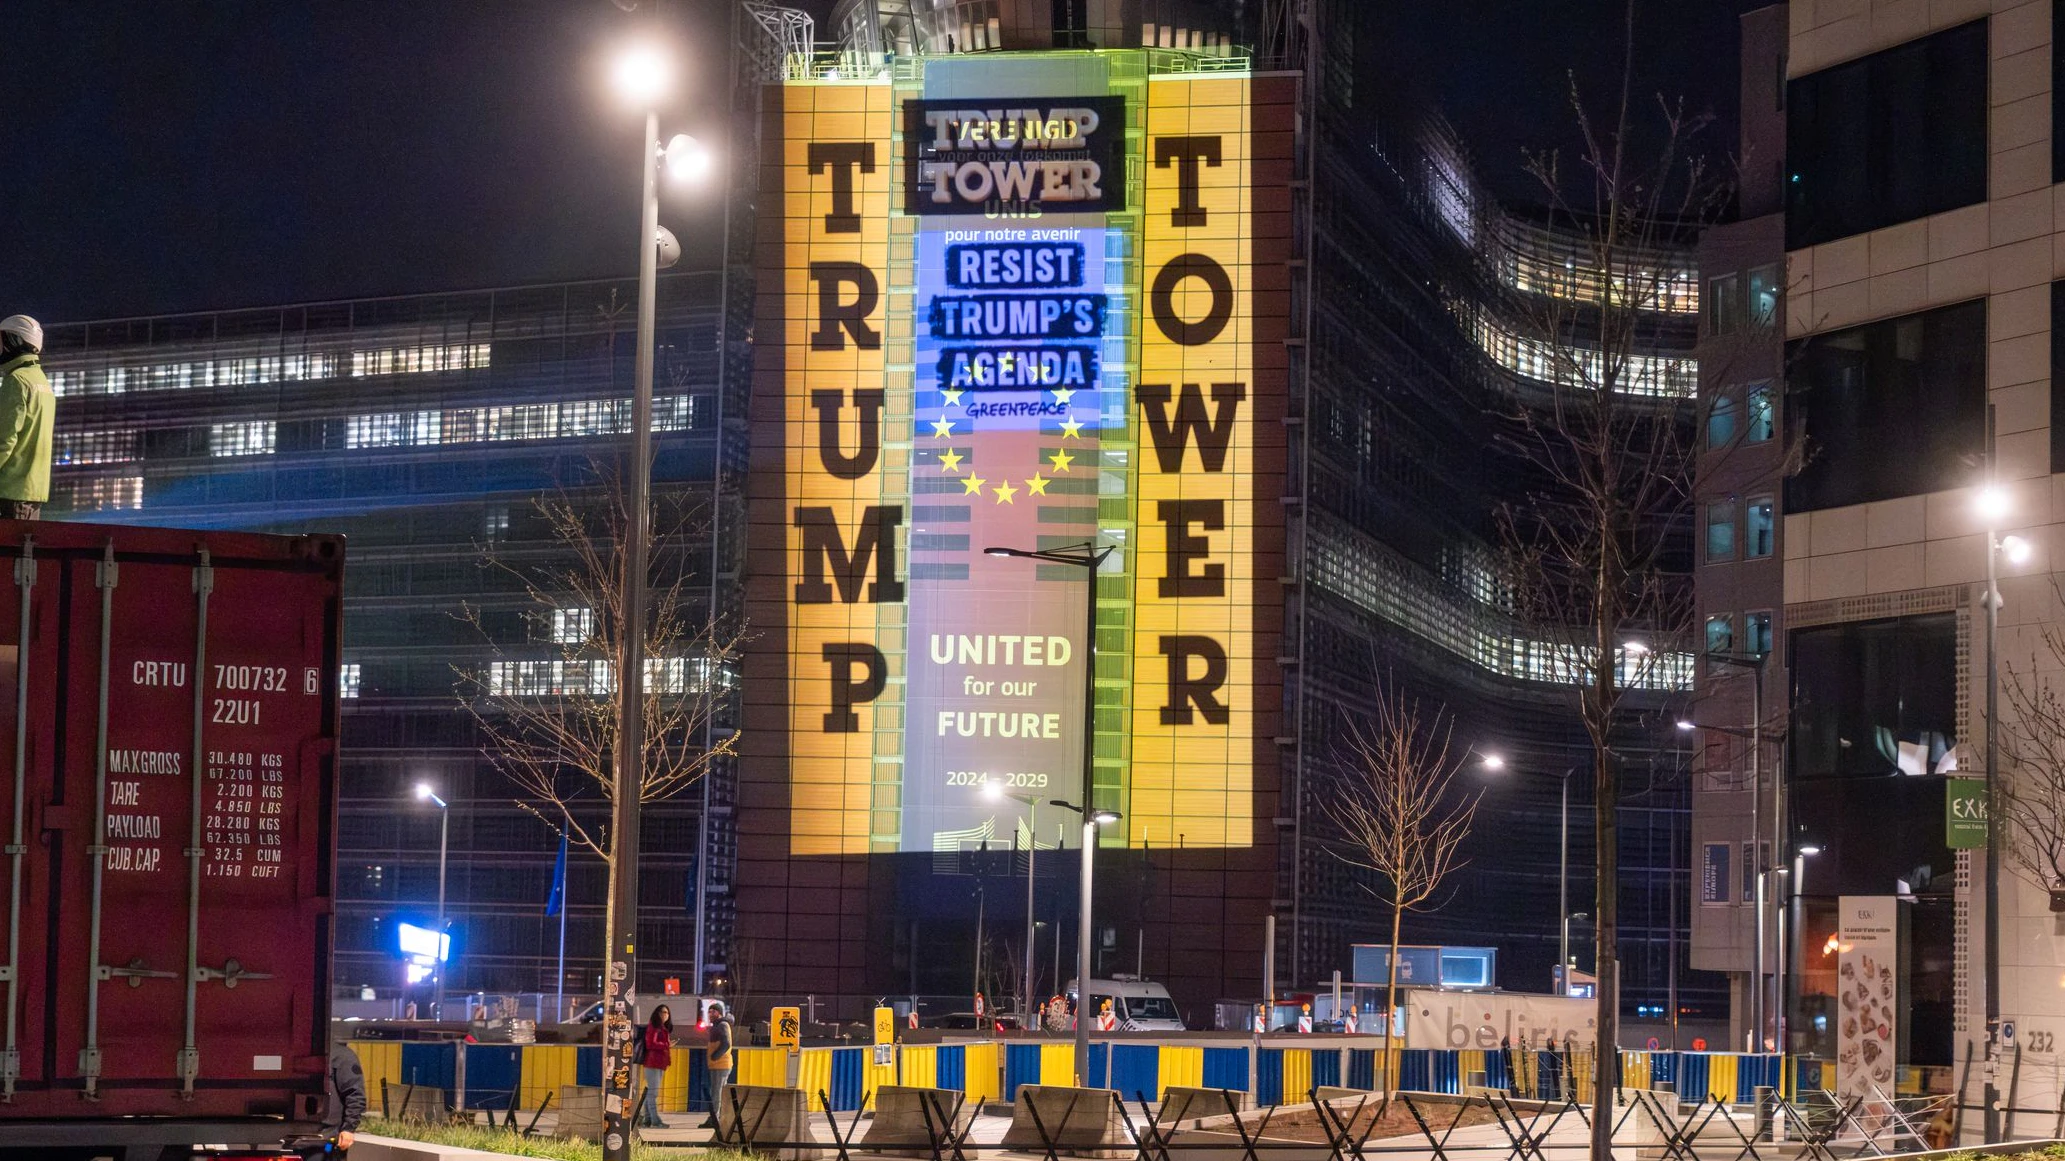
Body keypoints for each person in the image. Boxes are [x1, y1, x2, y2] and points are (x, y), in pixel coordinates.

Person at [0, 317, 51, 521]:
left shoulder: (17, 380)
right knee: (25, 550)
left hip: (11, 490)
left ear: (14, 341)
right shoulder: (40, 380)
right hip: (31, 490)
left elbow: (5, 440)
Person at [305, 1041, 366, 1159]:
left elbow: (354, 1095)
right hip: (315, 1138)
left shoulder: (342, 1056)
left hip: (325, 1141)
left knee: (327, 1153)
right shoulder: (343, 1055)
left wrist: (348, 1128)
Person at [637, 1004, 675, 1130]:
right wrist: (666, 1044)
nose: (666, 1015)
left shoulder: (662, 1028)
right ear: (657, 1013)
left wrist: (666, 1045)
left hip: (659, 1063)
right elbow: (650, 1044)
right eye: (663, 1012)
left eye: (667, 1013)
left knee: (651, 1092)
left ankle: (647, 1119)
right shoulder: (654, 1027)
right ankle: (655, 1120)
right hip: (653, 1063)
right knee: (653, 1093)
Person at [700, 1000, 734, 1130]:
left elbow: (726, 1043)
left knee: (716, 1093)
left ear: (719, 1013)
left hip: (721, 1064)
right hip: (717, 1065)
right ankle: (715, 1118)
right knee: (716, 1092)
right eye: (709, 1011)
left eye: (713, 1011)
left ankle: (714, 1119)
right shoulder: (717, 1025)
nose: (710, 1013)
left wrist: (715, 1056)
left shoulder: (722, 1025)